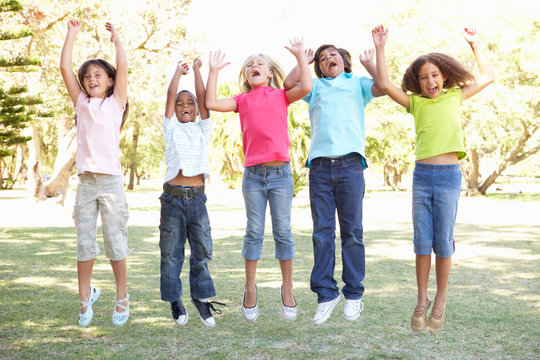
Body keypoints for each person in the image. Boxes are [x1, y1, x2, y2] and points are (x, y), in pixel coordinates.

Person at [372, 25, 494, 334]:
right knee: (422, 242)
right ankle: (421, 298)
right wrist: (381, 46)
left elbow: (488, 77)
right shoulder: (416, 103)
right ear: (417, 81)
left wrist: (475, 44)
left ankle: (440, 300)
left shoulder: (456, 95)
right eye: (424, 77)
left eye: (435, 75)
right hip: (423, 177)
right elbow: (384, 84)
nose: (430, 81)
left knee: (443, 242)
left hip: (449, 177)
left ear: (445, 77)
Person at [205, 38, 312, 322]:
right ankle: (250, 287)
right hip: (253, 176)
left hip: (280, 175)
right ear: (246, 76)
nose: (254, 66)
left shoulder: (281, 95)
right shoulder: (242, 100)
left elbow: (307, 86)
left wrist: (301, 56)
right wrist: (213, 70)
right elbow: (211, 102)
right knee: (254, 231)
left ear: (269, 74)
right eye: (249, 65)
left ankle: (286, 287)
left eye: (259, 64)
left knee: (283, 231)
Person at [284, 44, 384, 325]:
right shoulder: (314, 87)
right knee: (322, 233)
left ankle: (353, 295)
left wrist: (371, 59)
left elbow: (383, 86)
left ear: (344, 61)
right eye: (323, 58)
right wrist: (302, 60)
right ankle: (326, 294)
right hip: (319, 168)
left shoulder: (357, 84)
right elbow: (289, 84)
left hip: (351, 166)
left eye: (333, 56)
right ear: (318, 66)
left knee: (352, 232)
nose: (329, 59)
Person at [60, 20, 130, 327]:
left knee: (115, 240)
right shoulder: (81, 103)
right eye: (87, 76)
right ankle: (85, 299)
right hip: (86, 182)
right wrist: (71, 34)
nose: (91, 79)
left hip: (111, 182)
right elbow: (64, 68)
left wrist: (116, 39)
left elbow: (124, 64)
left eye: (98, 75)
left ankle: (122, 297)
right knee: (84, 242)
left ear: (111, 81)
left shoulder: (115, 104)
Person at [159, 58, 224, 327]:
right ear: (174, 110)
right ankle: (175, 299)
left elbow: (203, 96)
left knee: (202, 250)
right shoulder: (170, 128)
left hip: (198, 199)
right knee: (171, 253)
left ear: (197, 110)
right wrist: (178, 72)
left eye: (190, 104)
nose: (185, 106)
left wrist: (198, 70)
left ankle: (201, 298)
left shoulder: (202, 128)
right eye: (180, 104)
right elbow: (171, 93)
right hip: (173, 199)